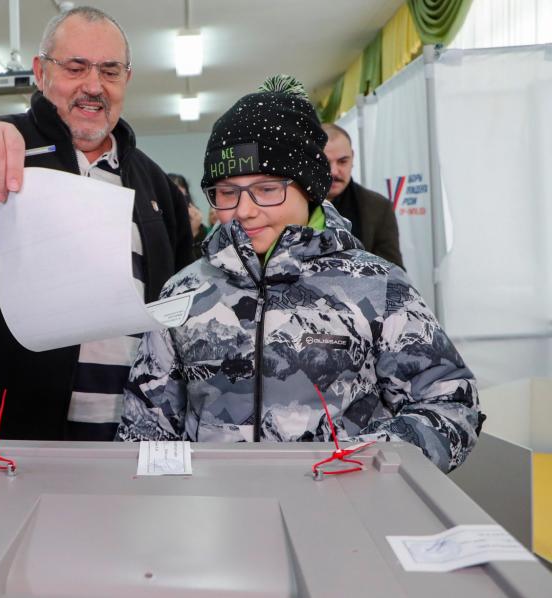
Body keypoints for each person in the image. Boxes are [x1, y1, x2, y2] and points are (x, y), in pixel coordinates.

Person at [116, 76, 481, 473]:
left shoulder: (379, 287)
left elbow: (451, 404)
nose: (244, 210)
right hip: (214, 518)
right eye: (226, 192)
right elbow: (145, 426)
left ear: (309, 188)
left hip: (344, 515)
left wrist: (362, 463)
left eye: (267, 189)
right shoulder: (184, 292)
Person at [0, 6, 192, 442]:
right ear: (40, 72)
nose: (93, 86)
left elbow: (175, 301)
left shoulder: (155, 184)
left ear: (127, 79)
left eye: (109, 71)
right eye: (75, 67)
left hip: (128, 434)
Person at [323, 123, 403, 267]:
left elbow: (394, 271)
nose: (334, 171)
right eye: (325, 162)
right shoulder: (291, 205)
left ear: (353, 158)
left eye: (342, 161)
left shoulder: (379, 207)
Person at [169, 173, 207, 248]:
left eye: (182, 197)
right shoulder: (159, 224)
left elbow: (203, 257)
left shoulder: (199, 227)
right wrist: (191, 233)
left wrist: (196, 231)